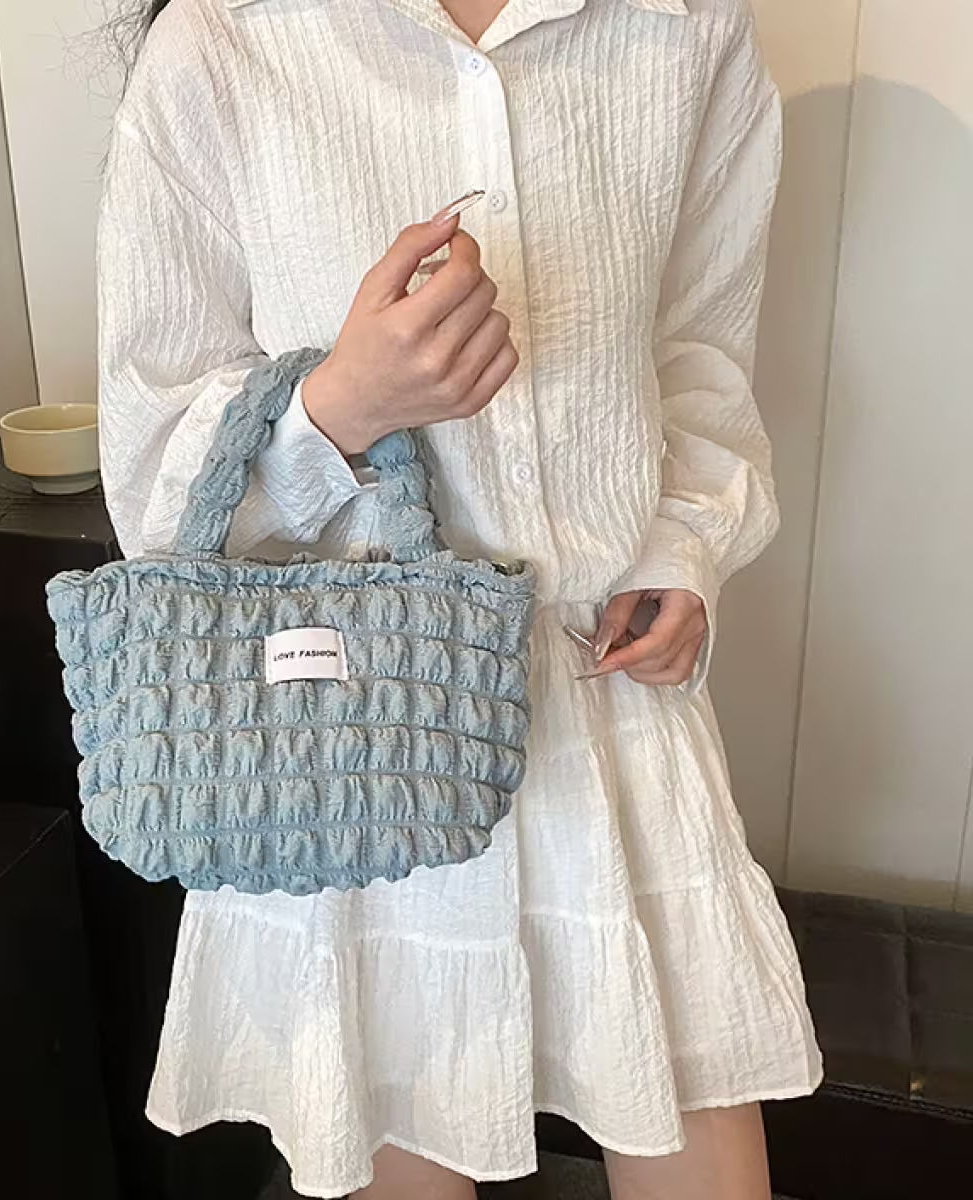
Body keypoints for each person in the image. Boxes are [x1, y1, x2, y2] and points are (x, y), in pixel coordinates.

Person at [98, 0, 823, 1196]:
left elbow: (699, 356)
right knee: (404, 1132)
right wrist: (344, 406)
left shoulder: (685, 27)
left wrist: (682, 550)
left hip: (603, 697)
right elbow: (153, 473)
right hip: (357, 728)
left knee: (693, 1124)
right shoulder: (227, 43)